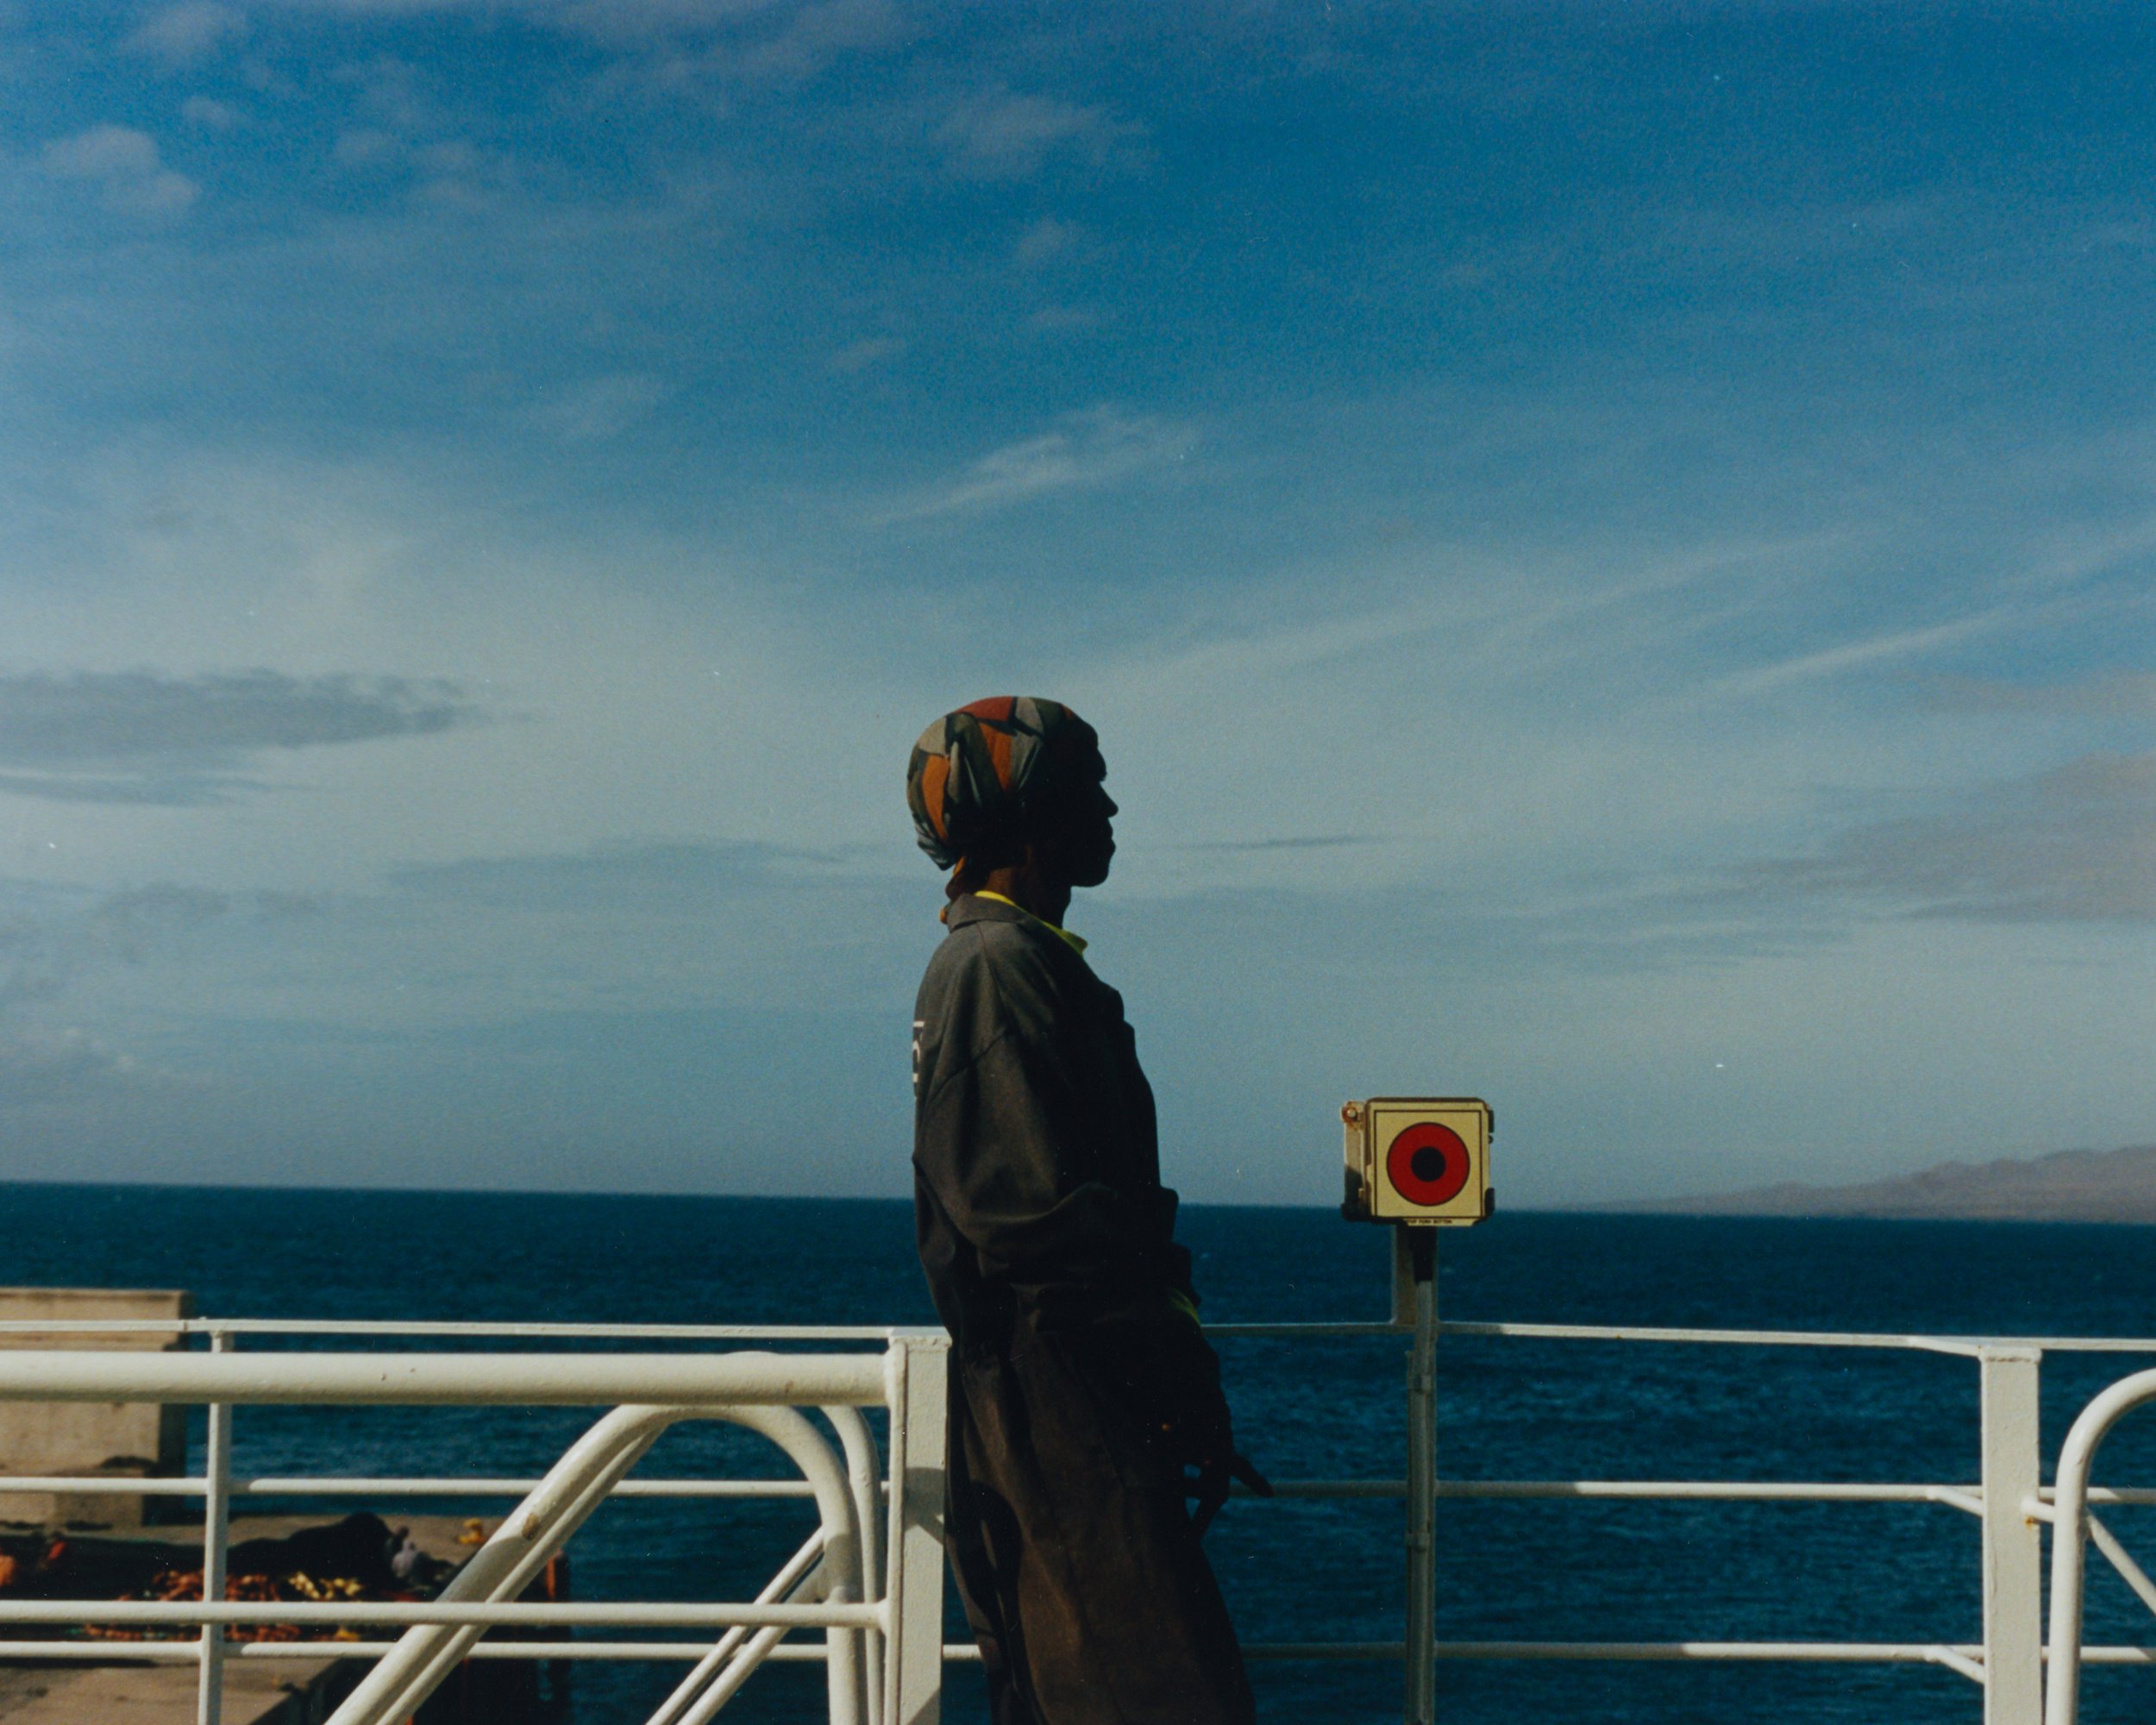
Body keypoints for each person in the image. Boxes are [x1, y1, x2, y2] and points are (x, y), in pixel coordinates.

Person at [906, 695, 1270, 1725]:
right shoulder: (997, 967)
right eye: (1085, 788)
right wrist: (1164, 1372)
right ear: (1025, 816)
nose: (1109, 808)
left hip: (1066, 1401)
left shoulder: (1015, 960)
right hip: (1058, 1409)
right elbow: (1034, 1218)